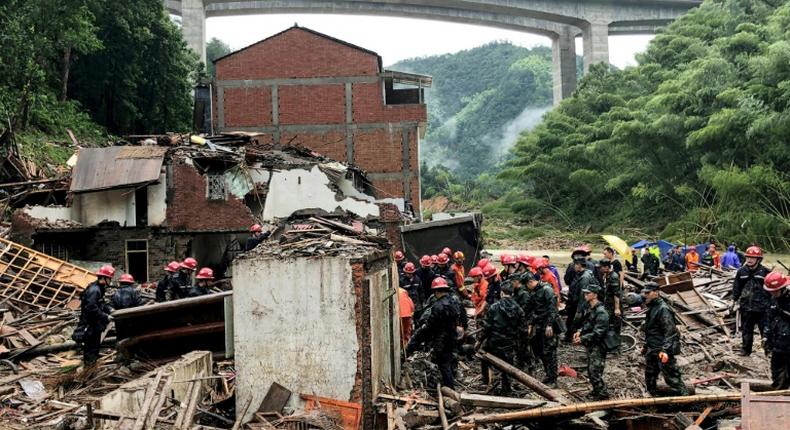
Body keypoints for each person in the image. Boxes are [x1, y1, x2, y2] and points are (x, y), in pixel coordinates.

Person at [406, 277, 462, 389]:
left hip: (441, 339)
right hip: (452, 337)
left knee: (444, 364)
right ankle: (451, 382)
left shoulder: (438, 306)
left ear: (436, 291)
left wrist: (423, 330)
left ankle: (449, 388)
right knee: (449, 360)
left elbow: (432, 325)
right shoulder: (454, 302)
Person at [477, 281, 527, 394]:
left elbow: (487, 327)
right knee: (507, 366)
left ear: (501, 293)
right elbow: (523, 331)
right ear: (512, 294)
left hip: (493, 342)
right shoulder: (519, 309)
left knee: (484, 357)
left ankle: (486, 381)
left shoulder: (494, 307)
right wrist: (521, 346)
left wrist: (480, 340)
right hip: (509, 343)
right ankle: (506, 388)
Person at [641, 282, 688, 396]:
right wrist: (646, 346)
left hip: (662, 349)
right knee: (650, 374)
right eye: (644, 292)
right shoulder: (653, 307)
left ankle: (685, 400)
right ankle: (654, 398)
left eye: (648, 293)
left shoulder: (663, 309)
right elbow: (651, 330)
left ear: (656, 292)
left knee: (672, 377)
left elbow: (670, 332)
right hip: (653, 348)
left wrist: (665, 350)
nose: (645, 295)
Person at [573, 284, 610, 400]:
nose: (585, 295)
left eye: (587, 293)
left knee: (595, 371)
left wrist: (583, 338)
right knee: (590, 370)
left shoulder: (601, 312)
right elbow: (588, 324)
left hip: (599, 345)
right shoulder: (590, 307)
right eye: (585, 293)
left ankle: (602, 394)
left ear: (595, 295)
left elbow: (599, 332)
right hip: (592, 344)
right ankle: (596, 391)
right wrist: (580, 332)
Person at [732, 246, 771, 356]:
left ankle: (768, 351)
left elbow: (771, 290)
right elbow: (736, 287)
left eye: (752, 258)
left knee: (766, 330)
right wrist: (733, 300)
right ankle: (746, 350)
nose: (749, 260)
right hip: (746, 306)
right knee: (746, 330)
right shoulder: (741, 271)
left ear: (758, 259)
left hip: (762, 307)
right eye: (748, 257)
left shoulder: (765, 272)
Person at [524, 272, 561, 386]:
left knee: (550, 352)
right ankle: (548, 374)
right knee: (540, 351)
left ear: (530, 282)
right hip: (539, 324)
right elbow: (529, 307)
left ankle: (553, 378)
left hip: (548, 324)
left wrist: (549, 325)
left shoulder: (546, 289)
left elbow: (552, 309)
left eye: (526, 285)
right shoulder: (534, 291)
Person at [75, 265, 114, 365]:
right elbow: (91, 308)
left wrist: (109, 309)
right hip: (90, 325)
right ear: (105, 278)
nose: (110, 281)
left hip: (94, 324)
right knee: (91, 349)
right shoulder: (95, 290)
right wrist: (105, 316)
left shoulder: (99, 288)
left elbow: (100, 304)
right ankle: (88, 373)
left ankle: (90, 369)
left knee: (94, 348)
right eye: (110, 278)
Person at [763, 271, 790, 389]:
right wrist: (766, 337)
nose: (772, 294)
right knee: (777, 374)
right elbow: (769, 319)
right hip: (777, 344)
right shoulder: (773, 300)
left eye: (775, 291)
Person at [564, 257, 595, 343]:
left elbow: (583, 295)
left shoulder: (584, 277)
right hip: (574, 302)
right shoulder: (580, 274)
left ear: (579, 265)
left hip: (578, 304)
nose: (574, 266)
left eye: (575, 264)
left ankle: (575, 338)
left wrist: (579, 310)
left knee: (576, 321)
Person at [598, 260, 623, 340]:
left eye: (601, 267)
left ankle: (616, 344)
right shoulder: (607, 275)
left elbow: (616, 294)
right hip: (608, 304)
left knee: (615, 325)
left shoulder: (613, 276)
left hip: (613, 305)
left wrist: (617, 308)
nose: (599, 269)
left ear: (606, 267)